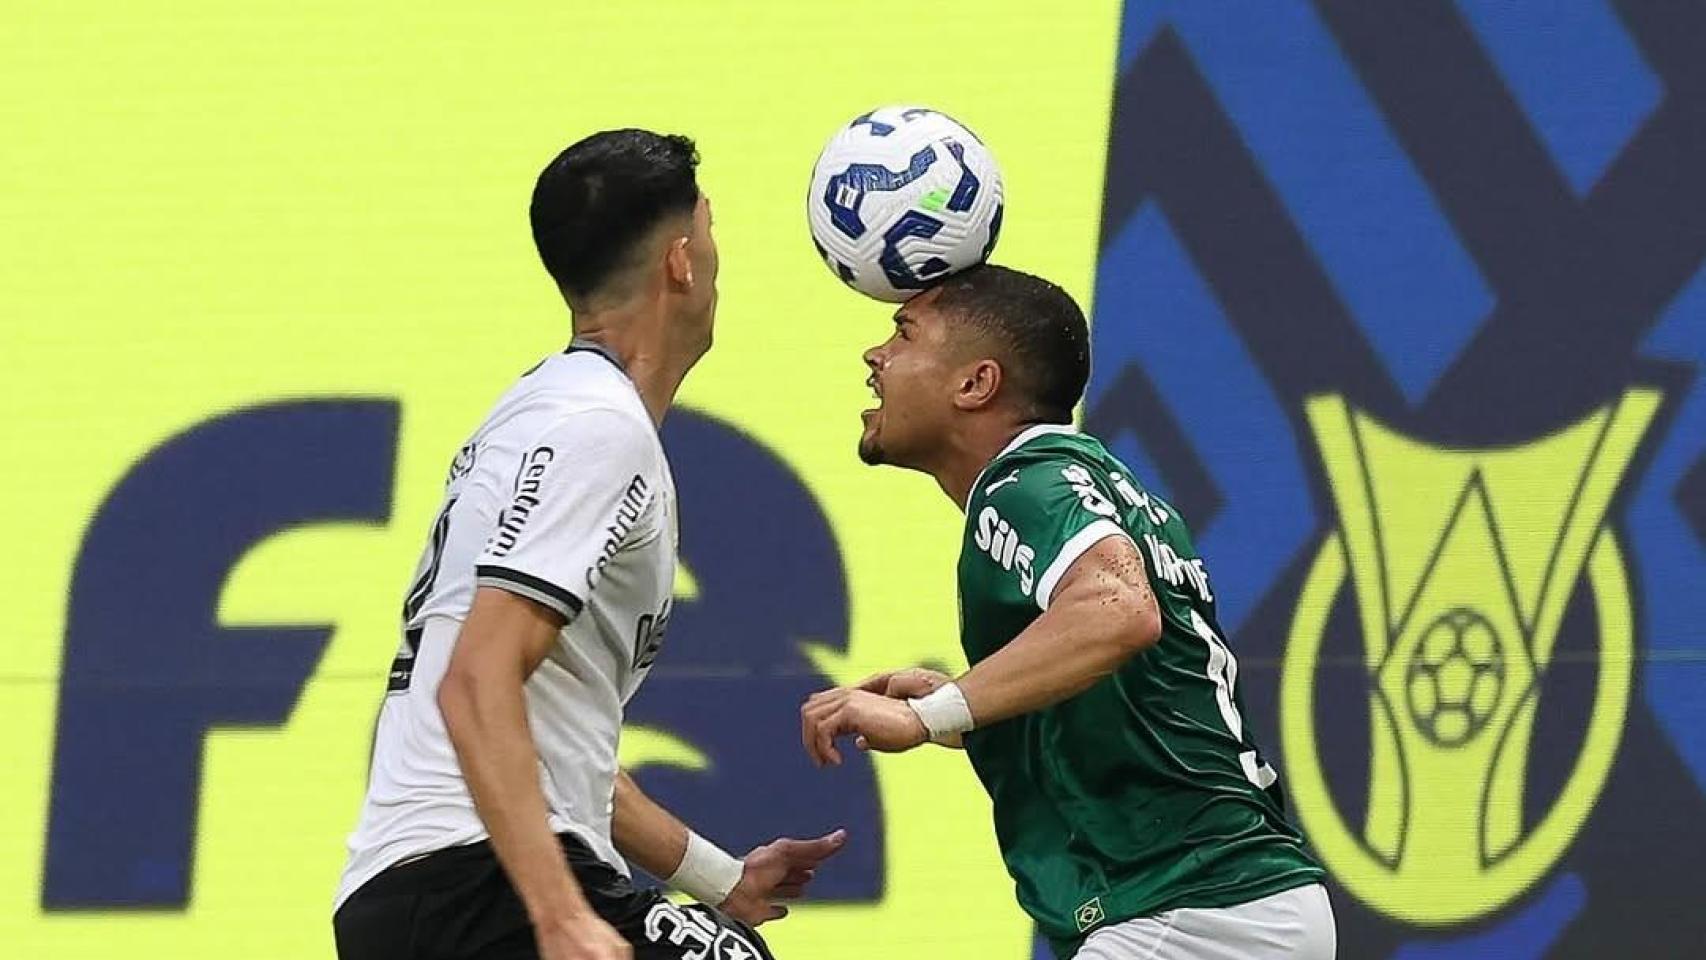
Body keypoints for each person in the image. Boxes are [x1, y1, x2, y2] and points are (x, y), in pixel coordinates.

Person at [336, 129, 844, 960]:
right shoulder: (596, 429)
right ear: (680, 263)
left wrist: (723, 880)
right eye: (711, 231)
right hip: (479, 883)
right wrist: (559, 914)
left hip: (427, 892)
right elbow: (474, 679)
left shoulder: (552, 410)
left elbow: (552, 751)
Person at [799, 265, 1334, 959]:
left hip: (1192, 907)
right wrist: (968, 709)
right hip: (1234, 902)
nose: (876, 355)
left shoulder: (1024, 486)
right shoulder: (1094, 481)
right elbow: (1133, 691)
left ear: (976, 384)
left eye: (904, 334)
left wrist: (926, 715)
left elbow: (1120, 611)